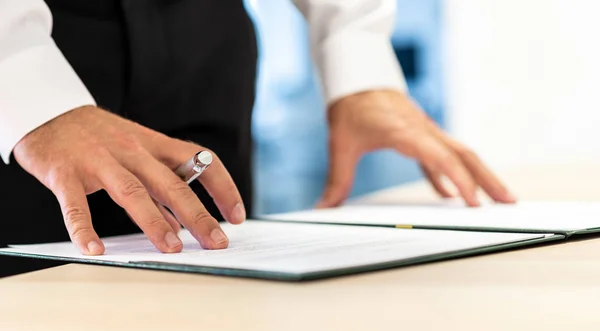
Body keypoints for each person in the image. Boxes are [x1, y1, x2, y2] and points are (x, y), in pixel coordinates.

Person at [0, 0, 516, 270]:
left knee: (216, 289)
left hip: (204, 40)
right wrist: (22, 80)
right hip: (35, 54)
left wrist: (356, 54)